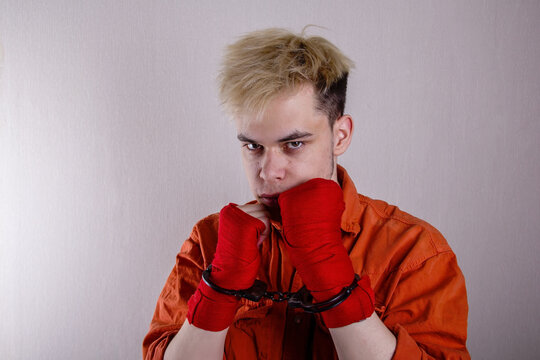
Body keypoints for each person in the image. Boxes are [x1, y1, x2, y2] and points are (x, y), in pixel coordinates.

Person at [142, 28, 470, 359]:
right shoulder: (208, 241)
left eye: (294, 143)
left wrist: (334, 281)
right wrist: (218, 290)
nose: (269, 171)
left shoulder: (414, 253)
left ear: (340, 135)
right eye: (253, 146)